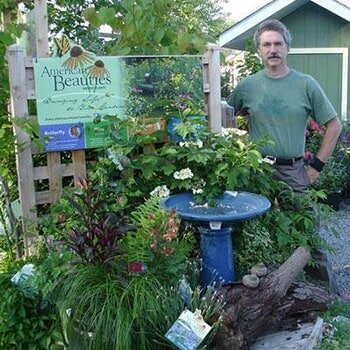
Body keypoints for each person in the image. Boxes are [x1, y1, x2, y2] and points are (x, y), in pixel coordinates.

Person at [227, 19, 342, 193]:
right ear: (259, 50)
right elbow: (222, 117)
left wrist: (315, 168)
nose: (273, 50)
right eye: (266, 44)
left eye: (278, 43)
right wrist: (235, 150)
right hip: (257, 170)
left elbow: (335, 126)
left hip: (294, 173)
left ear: (287, 48)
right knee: (256, 220)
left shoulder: (306, 84)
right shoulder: (246, 86)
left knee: (303, 219)